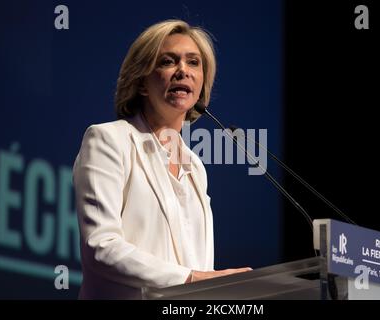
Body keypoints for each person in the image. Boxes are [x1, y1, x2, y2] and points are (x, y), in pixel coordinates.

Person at [73, 19, 251, 300]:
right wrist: (189, 279)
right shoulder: (109, 141)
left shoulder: (195, 167)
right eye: (168, 61)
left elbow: (198, 264)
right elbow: (101, 246)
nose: (183, 70)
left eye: (194, 63)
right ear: (142, 82)